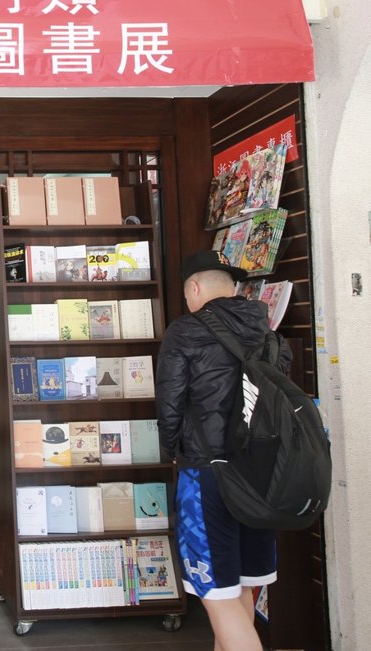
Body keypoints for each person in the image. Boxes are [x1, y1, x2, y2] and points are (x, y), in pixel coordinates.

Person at [156, 250, 292, 651]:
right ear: (233, 288)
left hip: (208, 473)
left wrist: (173, 451)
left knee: (217, 597)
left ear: (195, 288)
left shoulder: (185, 332)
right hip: (262, 476)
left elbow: (169, 404)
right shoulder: (268, 332)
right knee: (241, 589)